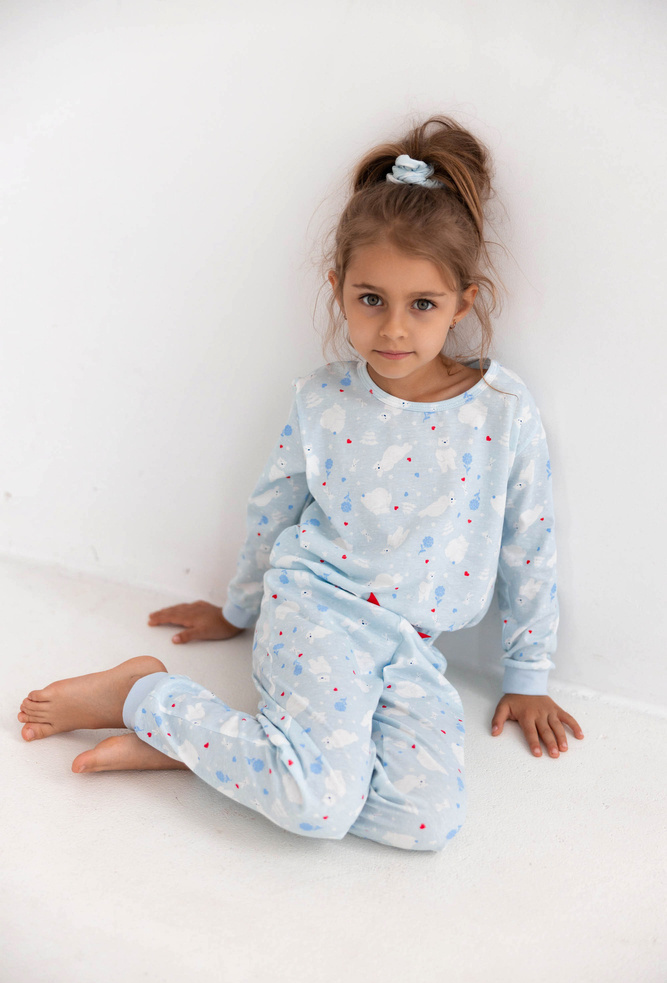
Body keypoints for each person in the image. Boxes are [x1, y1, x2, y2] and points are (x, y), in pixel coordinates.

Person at [18, 114, 584, 852]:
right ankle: (141, 694)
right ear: (338, 289)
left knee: (426, 824)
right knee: (319, 807)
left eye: (422, 305)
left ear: (463, 303)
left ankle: (214, 750)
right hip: (316, 612)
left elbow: (528, 542)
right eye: (370, 299)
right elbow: (273, 510)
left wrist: (527, 674)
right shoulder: (323, 401)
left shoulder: (502, 411)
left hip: (411, 645)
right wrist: (239, 608)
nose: (394, 329)